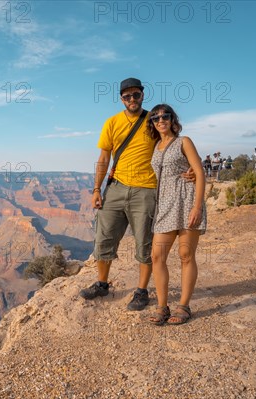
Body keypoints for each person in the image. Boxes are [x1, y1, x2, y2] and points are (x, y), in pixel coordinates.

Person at [80, 78, 194, 311]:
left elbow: (170, 143)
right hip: (116, 187)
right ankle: (102, 283)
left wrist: (189, 167)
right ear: (121, 99)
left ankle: (141, 291)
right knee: (104, 238)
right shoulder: (112, 123)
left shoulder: (152, 120)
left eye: (136, 95)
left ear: (143, 95)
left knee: (145, 243)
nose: (132, 99)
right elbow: (103, 158)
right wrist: (96, 189)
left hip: (147, 190)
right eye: (127, 96)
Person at [146, 104, 207, 325]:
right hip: (164, 205)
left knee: (186, 256)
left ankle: (184, 306)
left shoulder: (184, 141)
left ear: (173, 119)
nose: (160, 120)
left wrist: (197, 207)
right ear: (152, 123)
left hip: (186, 201)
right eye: (155, 118)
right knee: (157, 256)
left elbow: (199, 172)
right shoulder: (156, 145)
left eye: (165, 116)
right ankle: (162, 306)